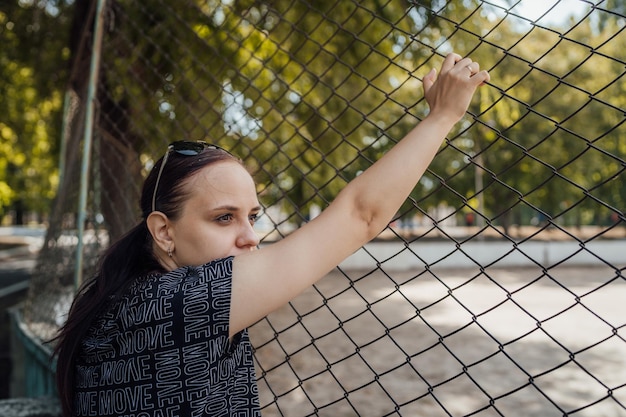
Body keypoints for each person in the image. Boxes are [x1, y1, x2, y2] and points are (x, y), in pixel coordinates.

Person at [53, 53, 490, 417]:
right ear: (163, 230)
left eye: (253, 217)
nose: (249, 238)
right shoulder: (176, 301)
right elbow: (360, 214)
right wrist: (443, 117)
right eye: (224, 218)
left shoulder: (128, 296)